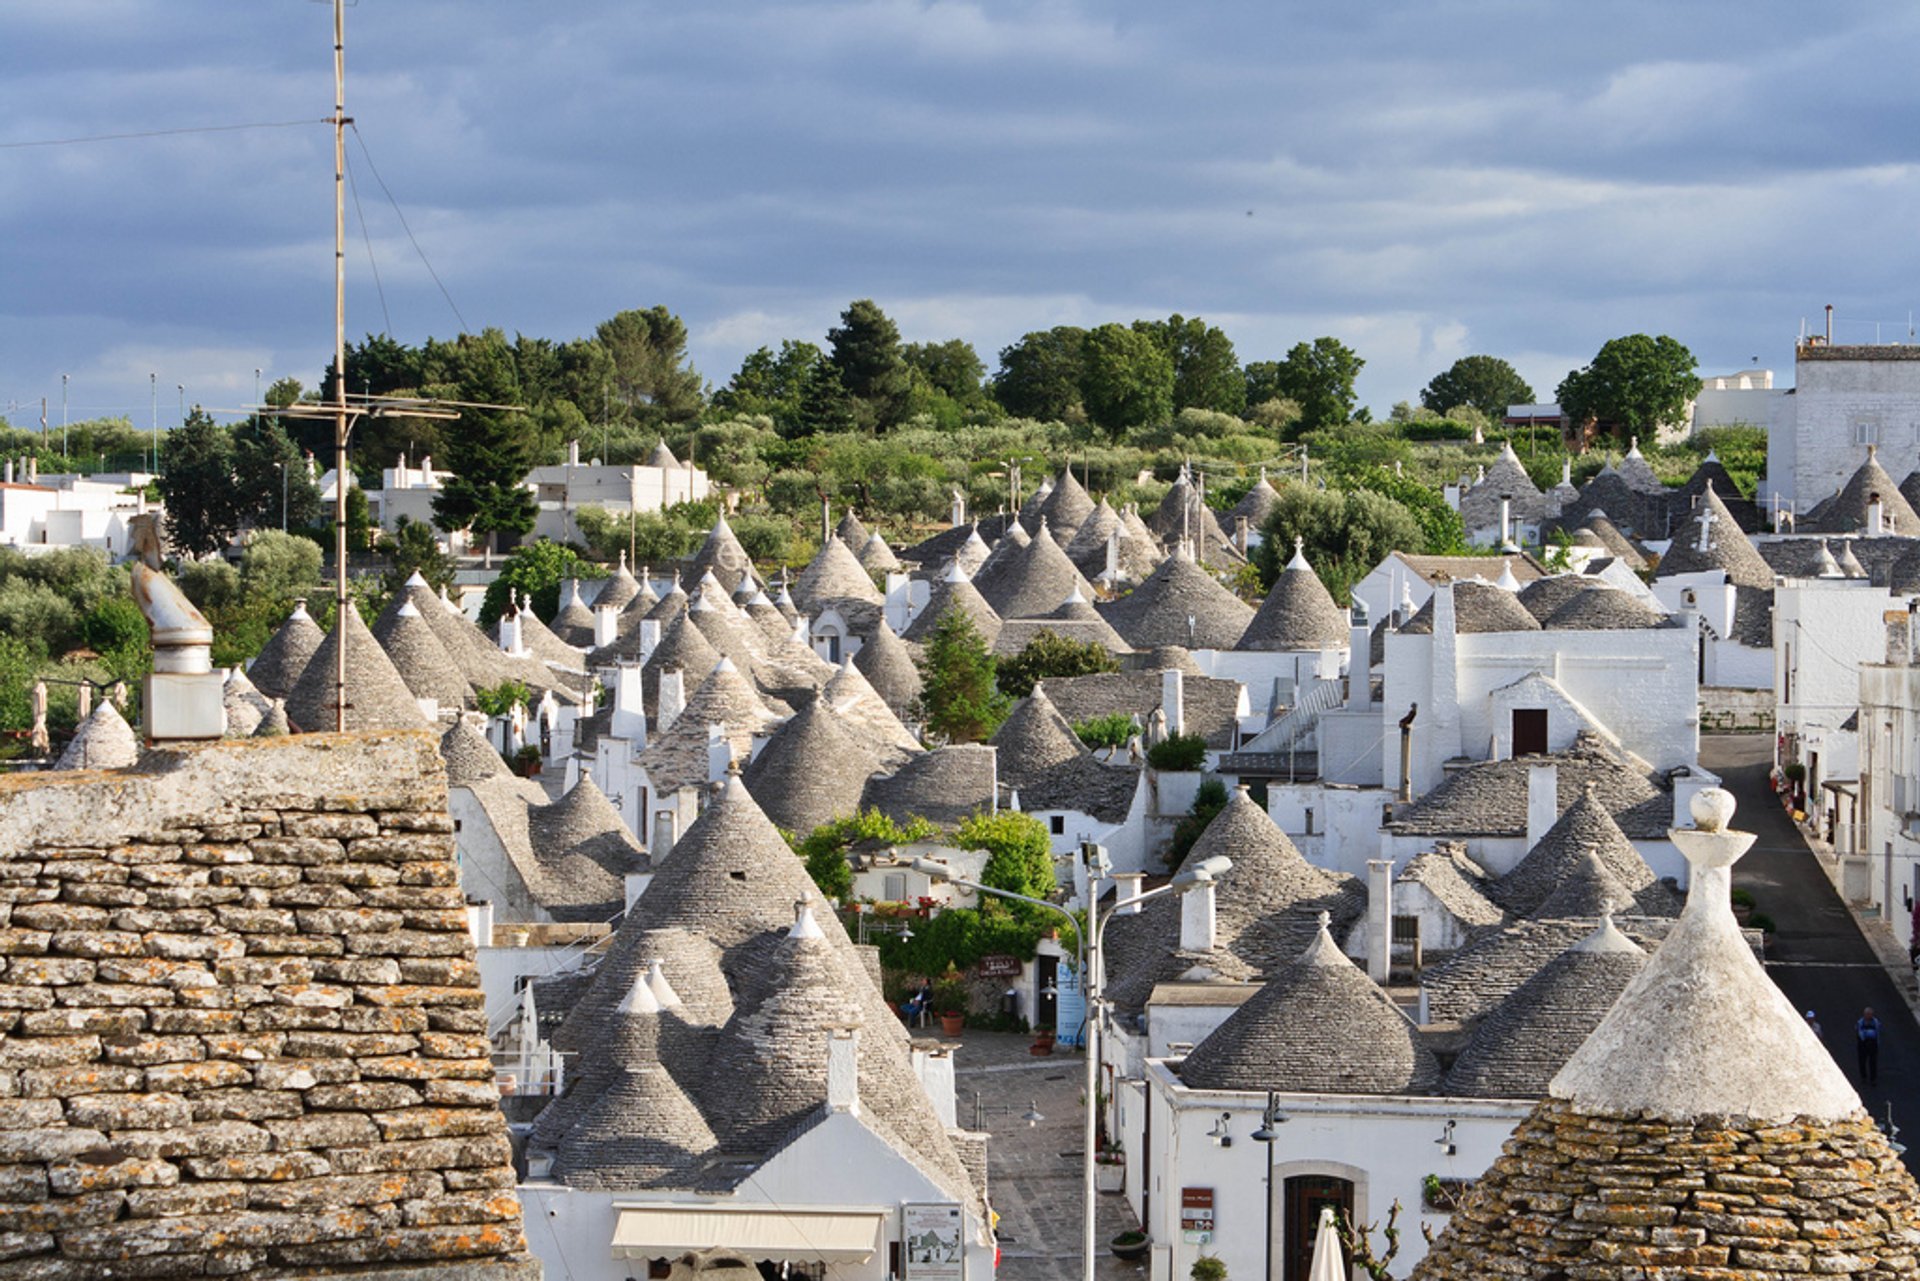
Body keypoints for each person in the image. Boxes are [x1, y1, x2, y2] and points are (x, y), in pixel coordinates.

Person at [1857, 1006, 1882, 1086]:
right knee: (1862, 1062)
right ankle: (1863, 1077)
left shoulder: (1875, 1022)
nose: (1868, 1016)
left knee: (1873, 1062)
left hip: (1873, 1045)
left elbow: (1877, 1033)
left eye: (1870, 1014)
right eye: (1867, 1014)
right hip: (1863, 1044)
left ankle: (1873, 1079)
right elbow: (1859, 1033)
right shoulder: (1860, 1022)